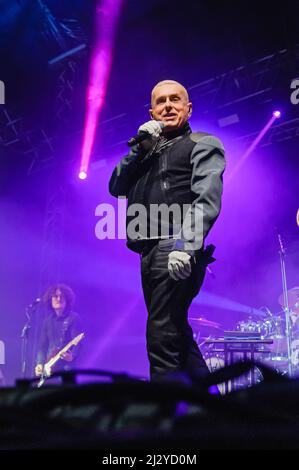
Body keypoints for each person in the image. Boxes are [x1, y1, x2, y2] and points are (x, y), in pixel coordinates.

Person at [109, 80, 226, 382]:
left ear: (189, 108)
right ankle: (213, 412)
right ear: (151, 112)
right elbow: (115, 186)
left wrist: (185, 245)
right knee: (175, 332)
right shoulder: (145, 153)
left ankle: (165, 417)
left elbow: (207, 199)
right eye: (161, 102)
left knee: (161, 335)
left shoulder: (202, 143)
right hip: (148, 253)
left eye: (176, 100)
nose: (168, 106)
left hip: (174, 247)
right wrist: (139, 150)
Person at [35, 284, 82, 378]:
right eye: (55, 296)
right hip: (49, 367)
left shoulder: (73, 318)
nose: (59, 299)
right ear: (50, 299)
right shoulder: (47, 321)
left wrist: (72, 357)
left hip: (66, 367)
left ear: (67, 300)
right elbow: (42, 346)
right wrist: (39, 364)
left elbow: (78, 342)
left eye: (62, 296)